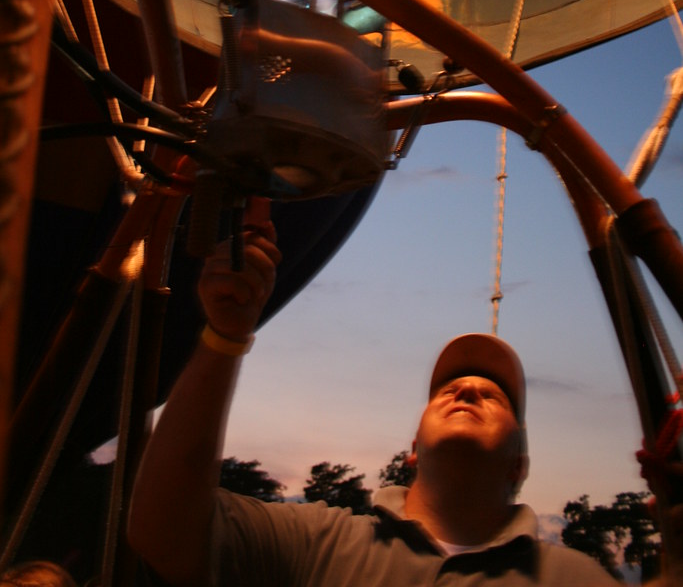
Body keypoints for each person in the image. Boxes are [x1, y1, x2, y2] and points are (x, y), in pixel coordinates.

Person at [127, 200, 616, 585]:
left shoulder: (576, 578)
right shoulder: (317, 542)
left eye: (494, 396)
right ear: (413, 450)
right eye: (448, 389)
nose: (467, 389)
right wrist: (224, 337)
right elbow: (165, 531)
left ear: (519, 466)